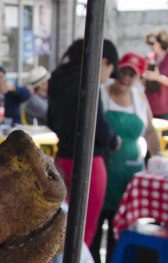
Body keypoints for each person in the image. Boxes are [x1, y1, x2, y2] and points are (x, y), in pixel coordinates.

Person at [47, 38, 122, 249]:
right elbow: (96, 126)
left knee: (60, 230)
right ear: (104, 62)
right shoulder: (88, 79)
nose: (108, 78)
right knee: (83, 233)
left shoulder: (58, 78)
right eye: (111, 71)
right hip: (89, 165)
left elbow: (51, 120)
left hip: (61, 161)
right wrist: (114, 139)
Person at [91, 53, 161, 263]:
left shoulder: (140, 100)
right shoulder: (101, 93)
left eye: (133, 74)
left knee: (119, 226)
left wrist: (159, 160)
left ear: (138, 78)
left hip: (128, 174)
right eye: (124, 71)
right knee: (94, 225)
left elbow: (150, 133)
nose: (126, 77)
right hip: (102, 170)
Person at [144, 28, 168, 136]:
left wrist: (158, 77)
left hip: (166, 108)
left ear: (161, 42)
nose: (150, 46)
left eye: (152, 43)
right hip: (149, 106)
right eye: (149, 43)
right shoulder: (149, 57)